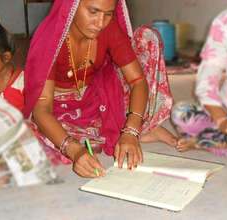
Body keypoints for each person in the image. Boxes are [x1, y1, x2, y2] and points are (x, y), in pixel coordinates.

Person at [23, 0, 177, 178]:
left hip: (97, 96)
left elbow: (137, 82)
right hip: (60, 108)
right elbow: (42, 109)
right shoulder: (50, 39)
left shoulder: (108, 28)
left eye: (108, 14)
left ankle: (133, 128)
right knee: (35, 142)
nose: (100, 23)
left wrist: (131, 130)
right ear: (71, 5)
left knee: (148, 38)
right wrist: (74, 151)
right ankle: (132, 128)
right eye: (93, 12)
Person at [171, 6, 227, 157]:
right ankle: (220, 142)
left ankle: (208, 143)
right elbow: (209, 73)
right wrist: (221, 118)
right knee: (182, 113)